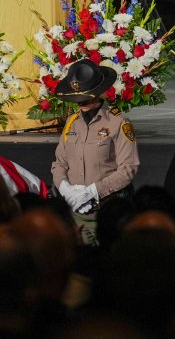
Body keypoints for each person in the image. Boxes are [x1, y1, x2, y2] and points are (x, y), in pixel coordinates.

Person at [50, 59, 139, 245]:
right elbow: (59, 163)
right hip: (74, 211)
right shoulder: (72, 122)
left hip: (105, 212)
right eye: (77, 98)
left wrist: (93, 191)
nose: (80, 103)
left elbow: (128, 168)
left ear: (98, 93)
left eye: (85, 97)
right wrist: (65, 188)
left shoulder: (118, 122)